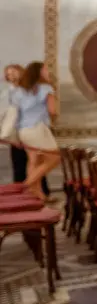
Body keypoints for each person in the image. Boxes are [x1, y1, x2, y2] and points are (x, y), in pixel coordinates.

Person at [12, 62, 59, 201]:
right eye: (45, 70)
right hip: (37, 128)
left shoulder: (20, 90)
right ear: (39, 72)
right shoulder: (46, 88)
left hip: (23, 130)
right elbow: (53, 110)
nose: (48, 72)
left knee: (34, 161)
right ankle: (27, 185)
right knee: (54, 158)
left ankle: (37, 195)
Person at [2, 64, 32, 187]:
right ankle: (20, 193)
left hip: (30, 130)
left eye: (14, 72)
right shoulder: (7, 92)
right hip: (15, 131)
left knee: (34, 163)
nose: (12, 75)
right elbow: (6, 114)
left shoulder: (29, 89)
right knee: (18, 163)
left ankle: (40, 192)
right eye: (9, 74)